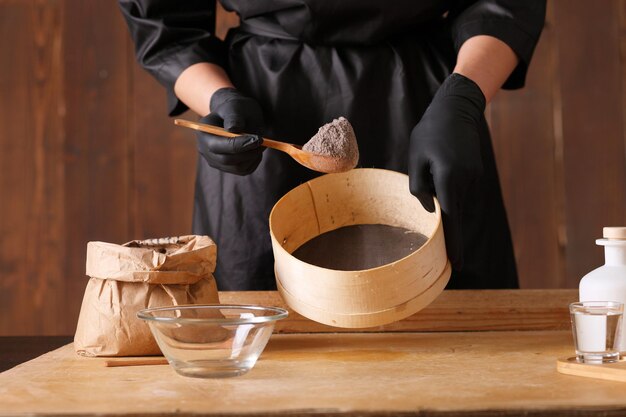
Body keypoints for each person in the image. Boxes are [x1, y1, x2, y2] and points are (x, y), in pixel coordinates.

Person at [118, 1, 546, 291]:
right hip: (263, 110)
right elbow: (165, 21)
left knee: (455, 330)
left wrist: (464, 98)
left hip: (427, 98)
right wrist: (219, 99)